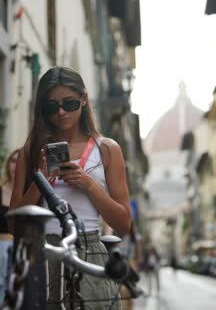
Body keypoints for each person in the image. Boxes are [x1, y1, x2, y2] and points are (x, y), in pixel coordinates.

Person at [9, 66, 131, 310]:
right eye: (52, 106)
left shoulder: (107, 149)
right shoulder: (31, 151)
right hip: (42, 251)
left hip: (89, 249)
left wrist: (88, 184)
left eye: (70, 103)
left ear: (84, 99)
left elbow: (124, 223)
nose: (61, 112)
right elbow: (14, 224)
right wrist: (41, 180)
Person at [0, 149, 19, 304]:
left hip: (22, 250)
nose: (16, 165)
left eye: (20, 161)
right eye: (13, 161)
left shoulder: (29, 192)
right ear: (8, 165)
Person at [118, 222, 142, 310]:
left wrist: (136, 267)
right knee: (126, 289)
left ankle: (128, 307)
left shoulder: (134, 237)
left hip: (129, 264)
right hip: (127, 263)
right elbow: (138, 254)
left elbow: (138, 253)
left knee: (127, 289)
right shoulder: (124, 237)